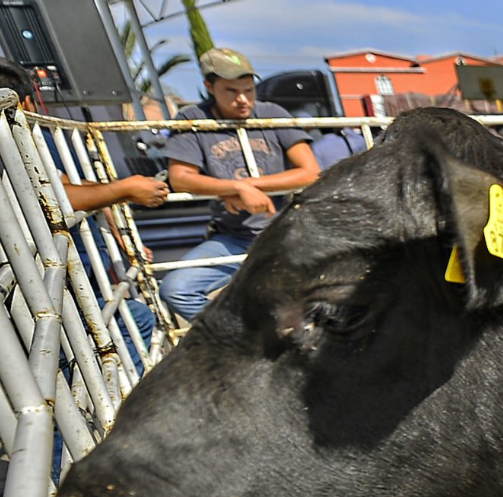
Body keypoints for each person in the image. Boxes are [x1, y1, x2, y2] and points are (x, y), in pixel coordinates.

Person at [0, 57, 164, 351]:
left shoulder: (30, 137)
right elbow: (54, 197)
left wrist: (115, 200)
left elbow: (64, 184)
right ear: (27, 101)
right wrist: (125, 188)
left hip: (43, 278)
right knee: (129, 323)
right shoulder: (21, 133)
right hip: (36, 281)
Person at [159, 48, 319, 322]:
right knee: (176, 288)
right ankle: (243, 344)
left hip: (288, 231)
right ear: (209, 87)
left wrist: (245, 186)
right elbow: (180, 177)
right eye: (231, 91)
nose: (243, 100)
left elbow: (311, 172)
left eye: (249, 89)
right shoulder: (192, 118)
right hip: (235, 237)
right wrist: (233, 189)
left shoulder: (271, 113)